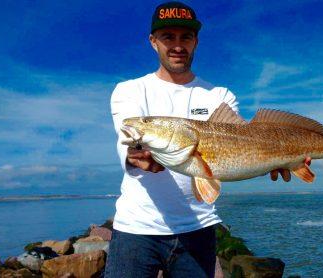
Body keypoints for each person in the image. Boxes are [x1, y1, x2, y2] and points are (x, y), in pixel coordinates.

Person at [105, 2, 292, 277]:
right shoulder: (130, 90)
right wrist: (134, 156)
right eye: (168, 37)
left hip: (199, 230)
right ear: (153, 42)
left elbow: (239, 147)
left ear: (196, 42)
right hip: (136, 230)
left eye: (186, 37)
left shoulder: (220, 96)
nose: (178, 45)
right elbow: (130, 140)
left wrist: (278, 158)